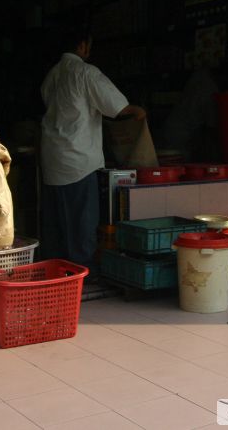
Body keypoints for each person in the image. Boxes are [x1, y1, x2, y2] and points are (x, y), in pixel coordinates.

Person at [39, 28, 145, 274]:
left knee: (57, 225)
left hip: (53, 158)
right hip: (79, 160)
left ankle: (57, 276)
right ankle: (81, 277)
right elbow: (118, 108)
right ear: (82, 46)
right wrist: (138, 111)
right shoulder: (86, 73)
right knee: (81, 223)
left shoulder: (52, 75)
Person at [160, 58, 228, 161]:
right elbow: (211, 130)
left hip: (174, 127)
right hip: (182, 135)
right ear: (226, 76)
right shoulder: (210, 93)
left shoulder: (201, 74)